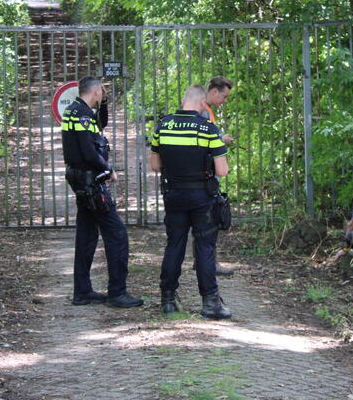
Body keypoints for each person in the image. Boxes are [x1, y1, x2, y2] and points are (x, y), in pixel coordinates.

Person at [149, 84, 232, 319]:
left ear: (184, 99)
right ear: (202, 102)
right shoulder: (208, 129)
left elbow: (155, 165)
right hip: (202, 198)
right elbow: (222, 171)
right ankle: (210, 303)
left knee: (174, 244)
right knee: (205, 247)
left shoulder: (162, 126)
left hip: (174, 194)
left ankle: (167, 300)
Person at [61, 76, 143, 308]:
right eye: (101, 93)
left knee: (86, 236)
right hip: (91, 183)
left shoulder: (75, 111)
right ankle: (117, 293)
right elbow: (88, 152)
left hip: (80, 180)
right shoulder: (83, 114)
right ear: (95, 91)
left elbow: (101, 124)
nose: (102, 96)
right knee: (117, 235)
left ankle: (82, 291)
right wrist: (108, 169)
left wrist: (105, 104)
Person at [196, 76, 234, 276]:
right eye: (224, 96)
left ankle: (204, 261)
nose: (224, 101)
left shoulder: (206, 110)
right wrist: (222, 139)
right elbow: (201, 139)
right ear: (214, 91)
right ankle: (209, 264)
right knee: (209, 220)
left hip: (205, 172)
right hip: (206, 174)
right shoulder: (203, 111)